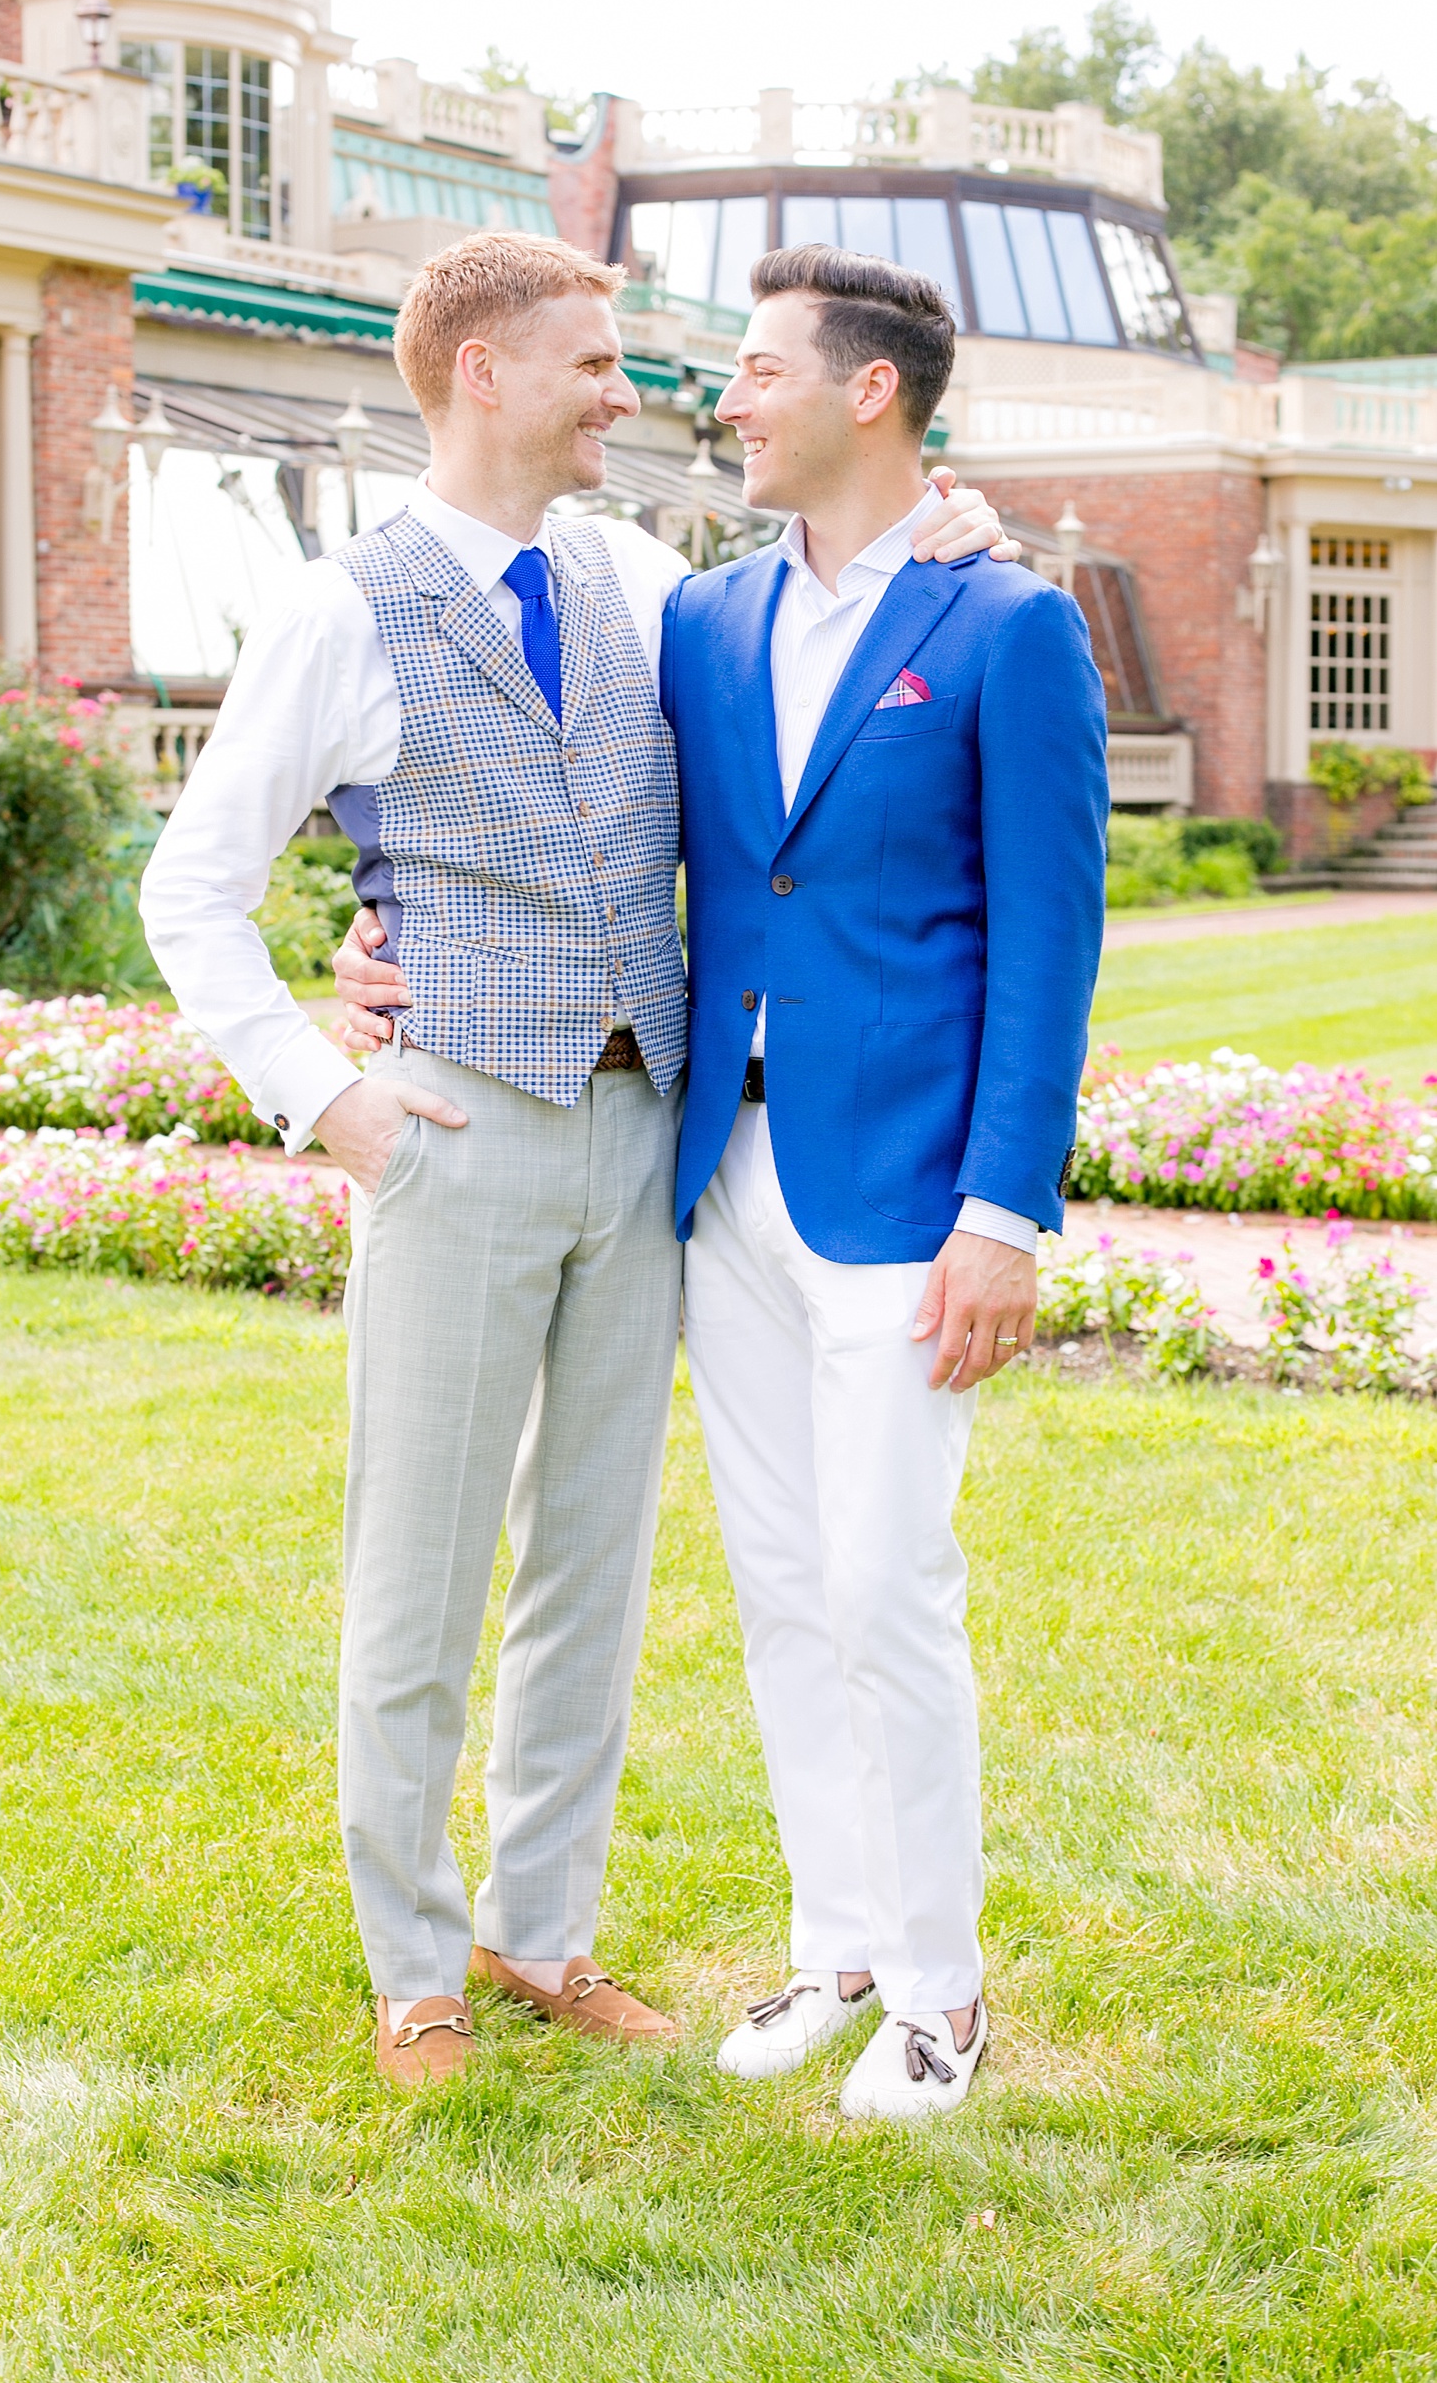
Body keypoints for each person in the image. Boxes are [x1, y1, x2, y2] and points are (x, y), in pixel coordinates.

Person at [142, 230, 1011, 2089]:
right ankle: (414, 1960)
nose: (635, 394)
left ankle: (541, 1930)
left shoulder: (642, 578)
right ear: (484, 373)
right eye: (596, 363)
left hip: (646, 1146)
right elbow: (190, 886)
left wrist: (957, 529)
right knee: (423, 1565)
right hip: (454, 1137)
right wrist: (328, 1089)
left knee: (593, 1565)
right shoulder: (339, 608)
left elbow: (830, 614)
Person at [667, 245, 1108, 2118]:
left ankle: (942, 1984)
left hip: (910, 1194)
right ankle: (835, 1940)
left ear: (870, 392)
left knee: (883, 1580)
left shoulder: (1010, 626)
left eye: (759, 369)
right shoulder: (696, 617)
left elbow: (1051, 938)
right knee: (776, 1576)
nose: (729, 400)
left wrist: (1005, 1211)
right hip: (726, 1174)